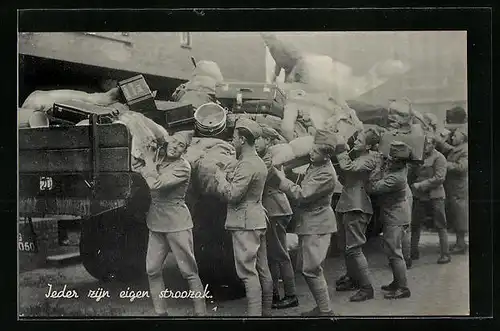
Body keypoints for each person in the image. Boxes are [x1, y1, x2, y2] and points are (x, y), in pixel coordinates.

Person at [140, 131, 207, 317]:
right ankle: (161, 314)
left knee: (189, 271)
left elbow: (155, 184)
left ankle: (201, 315)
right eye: (174, 142)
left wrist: (148, 162)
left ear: (185, 151)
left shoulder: (183, 167)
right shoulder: (159, 160)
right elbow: (140, 169)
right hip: (156, 222)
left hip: (177, 223)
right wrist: (149, 160)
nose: (175, 147)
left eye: (180, 146)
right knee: (152, 269)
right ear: (168, 141)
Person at [273, 129, 338, 316]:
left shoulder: (326, 174)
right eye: (312, 149)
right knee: (308, 268)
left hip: (317, 224)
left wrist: (281, 179)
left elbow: (302, 194)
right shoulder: (316, 165)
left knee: (311, 269)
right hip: (311, 223)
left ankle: (326, 311)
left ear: (326, 156)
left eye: (316, 152)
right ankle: (323, 308)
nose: (311, 153)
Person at [213, 118, 273, 317]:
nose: (232, 141)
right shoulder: (258, 163)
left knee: (248, 272)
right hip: (257, 219)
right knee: (263, 269)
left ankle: (255, 316)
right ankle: (266, 313)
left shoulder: (247, 165)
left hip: (244, 222)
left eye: (234, 138)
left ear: (242, 140)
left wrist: (220, 179)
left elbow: (233, 195)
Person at [333, 128, 383, 302]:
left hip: (357, 206)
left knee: (354, 249)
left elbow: (349, 167)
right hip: (348, 204)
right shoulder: (362, 157)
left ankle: (367, 287)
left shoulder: (369, 159)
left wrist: (340, 150)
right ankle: (353, 279)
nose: (355, 142)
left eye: (359, 141)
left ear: (369, 145)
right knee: (346, 247)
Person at [255, 124, 299, 309]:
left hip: (275, 210)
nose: (256, 143)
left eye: (260, 139)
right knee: (274, 255)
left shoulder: (267, 161)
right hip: (275, 209)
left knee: (280, 254)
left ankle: (291, 295)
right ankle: (273, 294)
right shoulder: (266, 158)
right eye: (254, 139)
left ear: (269, 141)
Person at [369, 141, 413, 299]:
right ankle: (397, 281)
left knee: (395, 252)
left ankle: (403, 288)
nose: (388, 161)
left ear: (399, 162)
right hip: (395, 214)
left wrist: (378, 167)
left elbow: (373, 187)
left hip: (396, 217)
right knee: (392, 251)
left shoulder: (396, 178)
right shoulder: (399, 168)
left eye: (392, 160)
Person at [409, 135, 451, 264]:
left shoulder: (439, 158)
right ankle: (412, 252)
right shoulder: (420, 157)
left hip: (435, 195)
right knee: (415, 224)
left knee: (440, 225)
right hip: (420, 196)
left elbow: (439, 178)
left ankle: (445, 254)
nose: (425, 146)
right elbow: (414, 173)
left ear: (434, 145)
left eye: (427, 144)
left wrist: (421, 185)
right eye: (423, 144)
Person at [436, 128, 468, 254]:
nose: (452, 138)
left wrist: (444, 164)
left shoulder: (465, 150)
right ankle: (460, 243)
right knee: (456, 215)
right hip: (454, 188)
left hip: (459, 188)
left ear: (462, 138)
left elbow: (461, 167)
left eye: (455, 136)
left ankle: (461, 244)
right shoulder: (459, 148)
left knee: (460, 215)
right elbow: (449, 148)